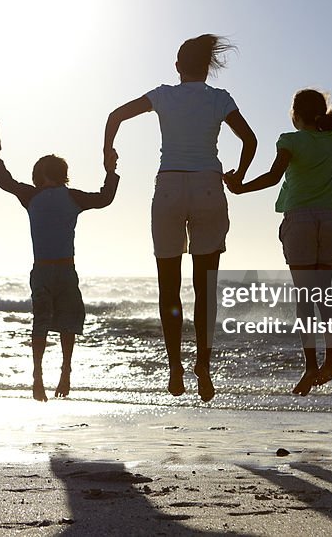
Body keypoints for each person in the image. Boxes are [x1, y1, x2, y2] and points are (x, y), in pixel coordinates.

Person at [103, 35, 257, 402]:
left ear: (177, 67)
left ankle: (175, 367)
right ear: (207, 69)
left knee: (168, 285)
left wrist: (108, 154)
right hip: (208, 186)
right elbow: (249, 140)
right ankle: (203, 364)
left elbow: (114, 116)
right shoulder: (220, 99)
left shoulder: (163, 95)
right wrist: (238, 177)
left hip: (169, 186)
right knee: (205, 288)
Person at [224, 40, 332, 396]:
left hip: (302, 223)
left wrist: (240, 187)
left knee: (305, 297)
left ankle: (310, 367)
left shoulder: (289, 140)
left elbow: (273, 178)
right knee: (325, 296)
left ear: (295, 113)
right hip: (331, 220)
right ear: (321, 113)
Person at [0, 143, 119, 401]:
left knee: (50, 324)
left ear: (41, 174)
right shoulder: (52, 196)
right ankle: (48, 375)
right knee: (57, 324)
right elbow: (105, 198)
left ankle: (55, 373)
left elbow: (5, 181)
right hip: (60, 269)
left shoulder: (40, 196)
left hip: (51, 270)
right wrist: (110, 173)